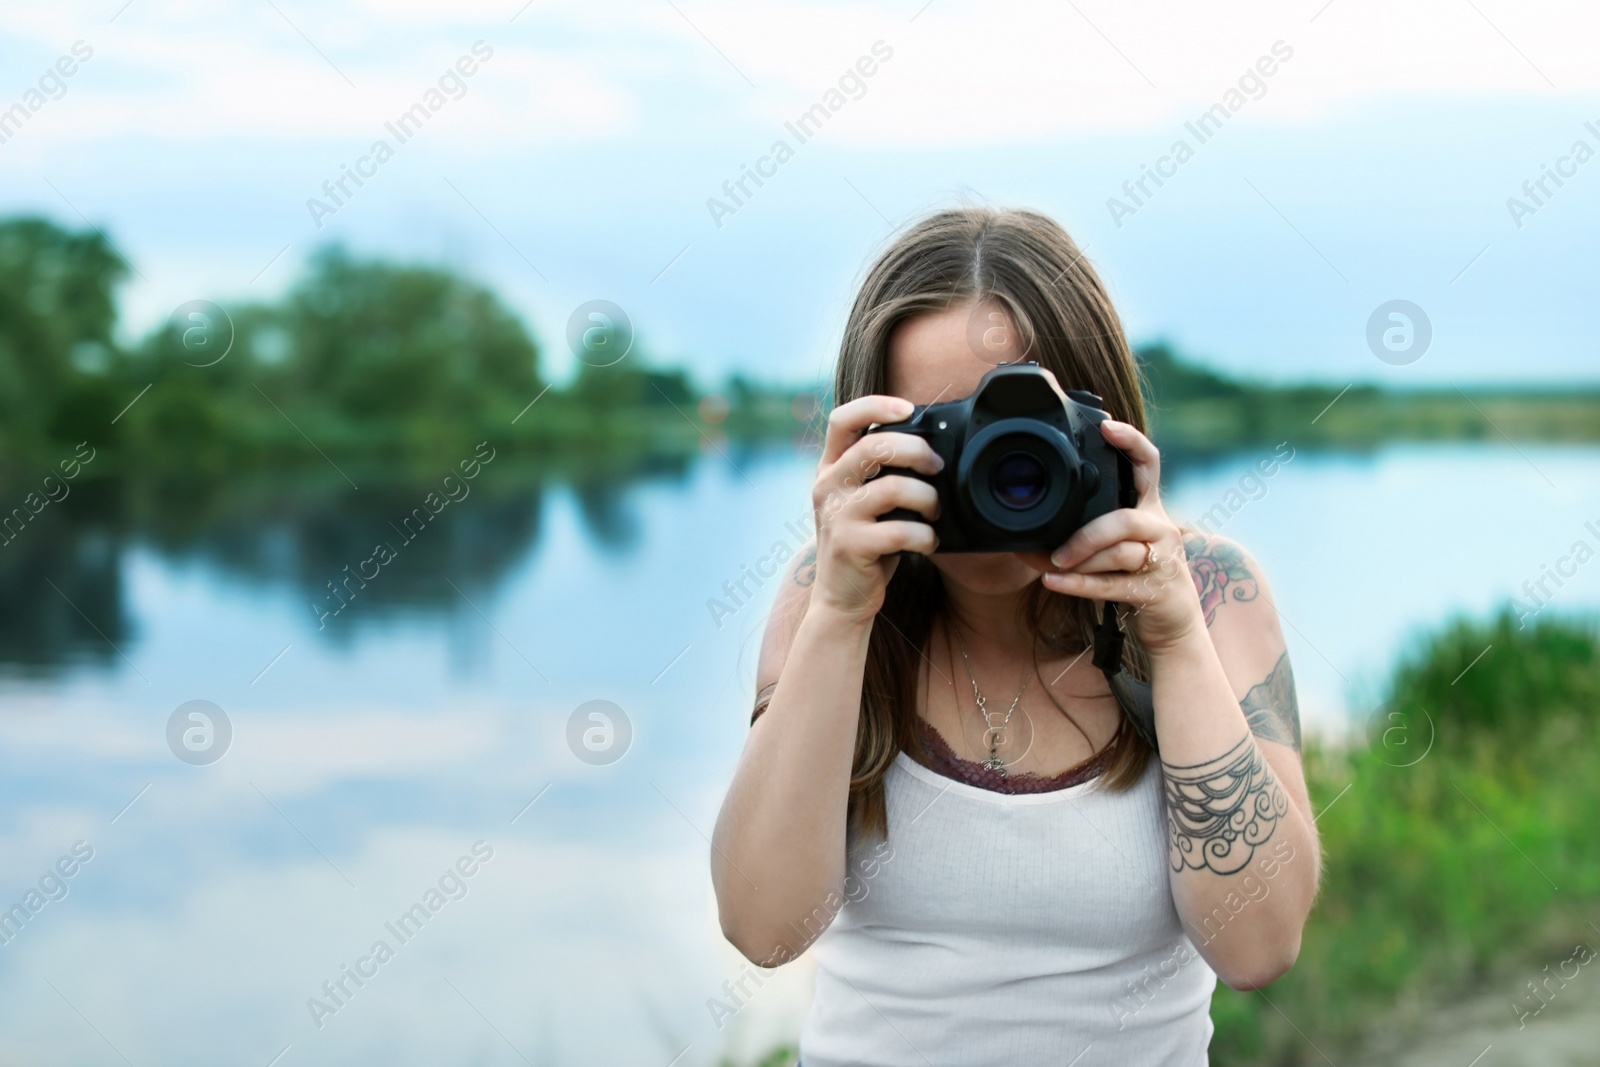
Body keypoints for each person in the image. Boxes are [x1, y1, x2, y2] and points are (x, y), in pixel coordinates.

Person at [709, 207, 1320, 1065]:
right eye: (945, 437)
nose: (995, 476)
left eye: (1027, 433)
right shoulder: (832, 597)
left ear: (1106, 427)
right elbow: (765, 927)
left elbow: (1259, 946)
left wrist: (1175, 635)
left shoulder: (1211, 592)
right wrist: (842, 617)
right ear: (868, 441)